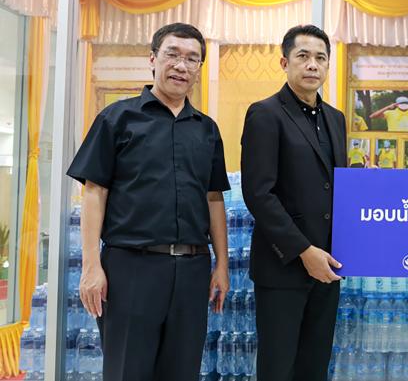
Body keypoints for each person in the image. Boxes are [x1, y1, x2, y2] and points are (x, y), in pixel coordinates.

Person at [68, 23, 229, 381]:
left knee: (182, 371)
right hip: (130, 268)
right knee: (128, 370)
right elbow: (94, 192)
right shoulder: (117, 118)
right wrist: (91, 266)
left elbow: (214, 198)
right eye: (173, 54)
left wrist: (222, 264)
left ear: (199, 68)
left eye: (192, 59)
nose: (181, 66)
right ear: (153, 59)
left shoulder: (207, 129)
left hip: (192, 270)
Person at [241, 24, 347, 381]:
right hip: (283, 267)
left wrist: (367, 185)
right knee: (278, 368)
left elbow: (332, 182)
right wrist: (304, 250)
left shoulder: (336, 119)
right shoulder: (265, 114)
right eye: (303, 56)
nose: (312, 64)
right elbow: (259, 194)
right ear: (284, 62)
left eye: (321, 58)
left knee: (314, 367)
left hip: (329, 266)